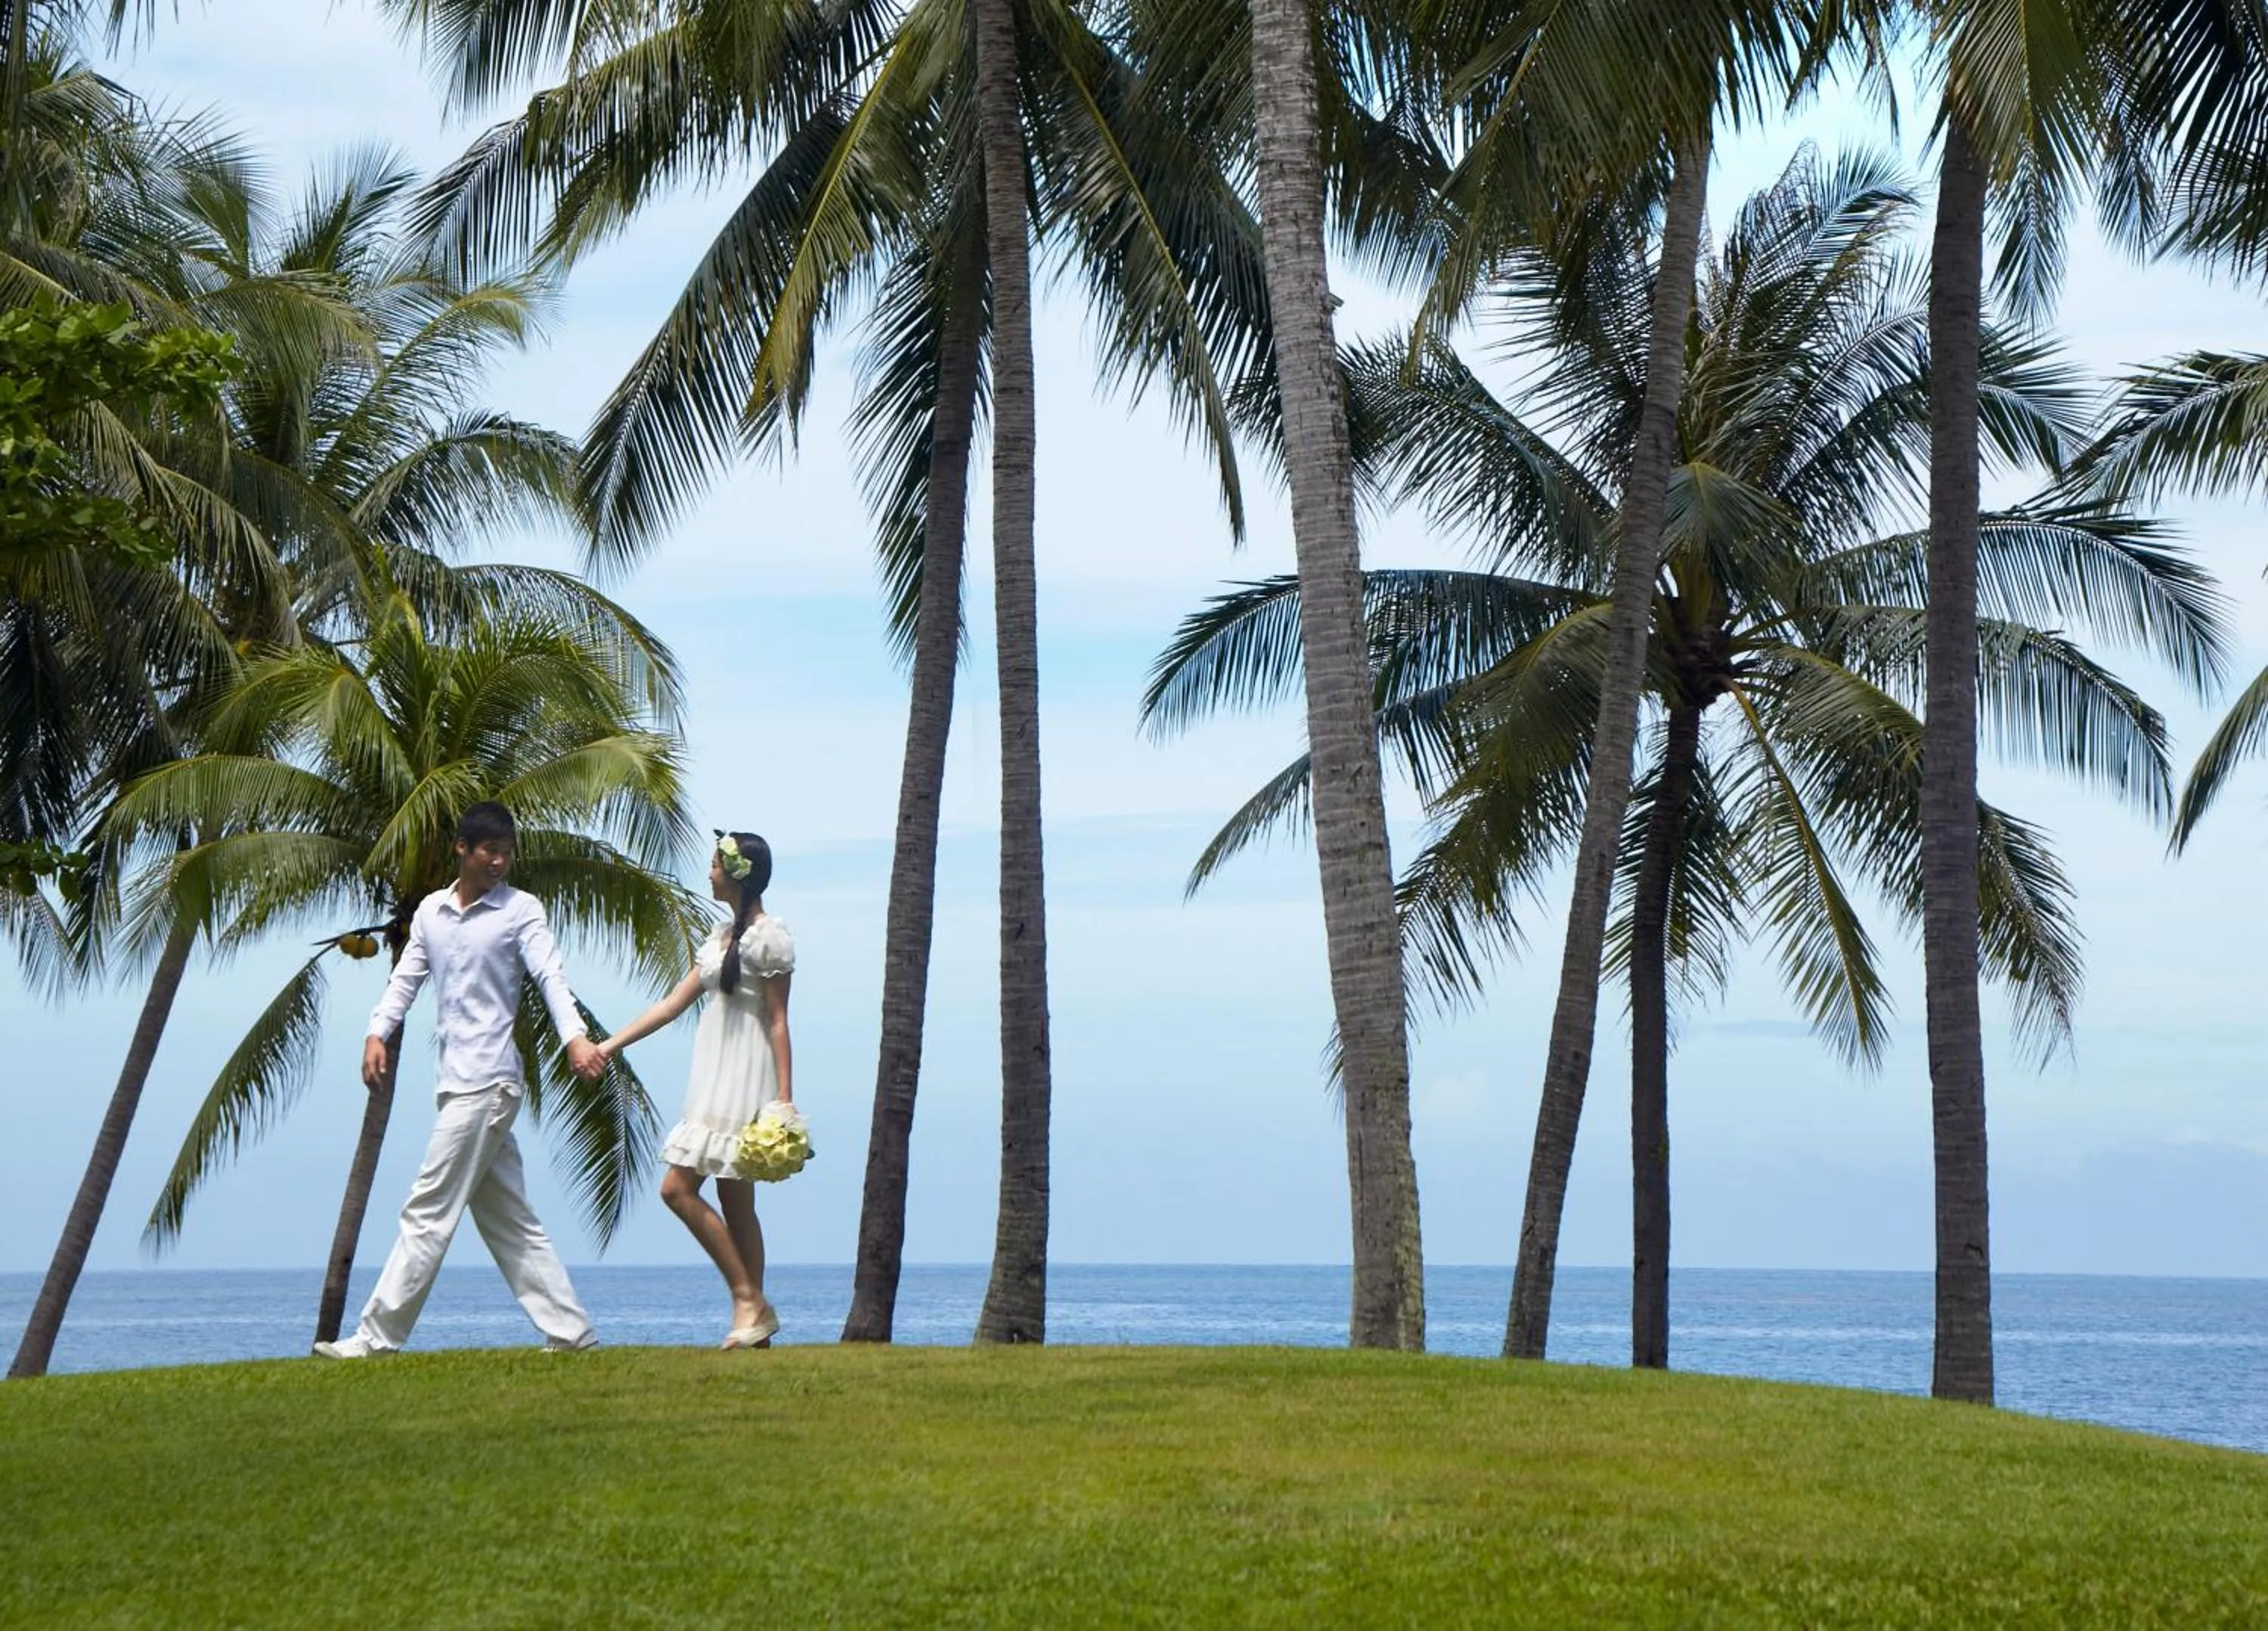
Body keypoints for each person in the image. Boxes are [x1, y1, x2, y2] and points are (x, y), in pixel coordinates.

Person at [314, 801, 608, 1360]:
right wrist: (377, 1033)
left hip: (490, 1083)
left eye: (507, 853)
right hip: (455, 1082)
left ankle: (376, 1340)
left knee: (426, 1210)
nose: (499, 862)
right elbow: (405, 979)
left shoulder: (522, 910)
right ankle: (573, 1334)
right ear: (462, 850)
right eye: (489, 852)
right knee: (509, 1220)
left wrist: (575, 1037)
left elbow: (551, 976)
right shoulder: (430, 912)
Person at [598, 829, 795, 1350]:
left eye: (714, 864)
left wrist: (785, 1099)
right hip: (712, 1079)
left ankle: (749, 1299)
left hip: (746, 1081)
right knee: (735, 1202)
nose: (708, 872)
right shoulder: (718, 938)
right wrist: (610, 1044)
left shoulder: (770, 937)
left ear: (735, 874)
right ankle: (752, 1321)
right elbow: (670, 1005)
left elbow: (778, 1022)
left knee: (676, 1190)